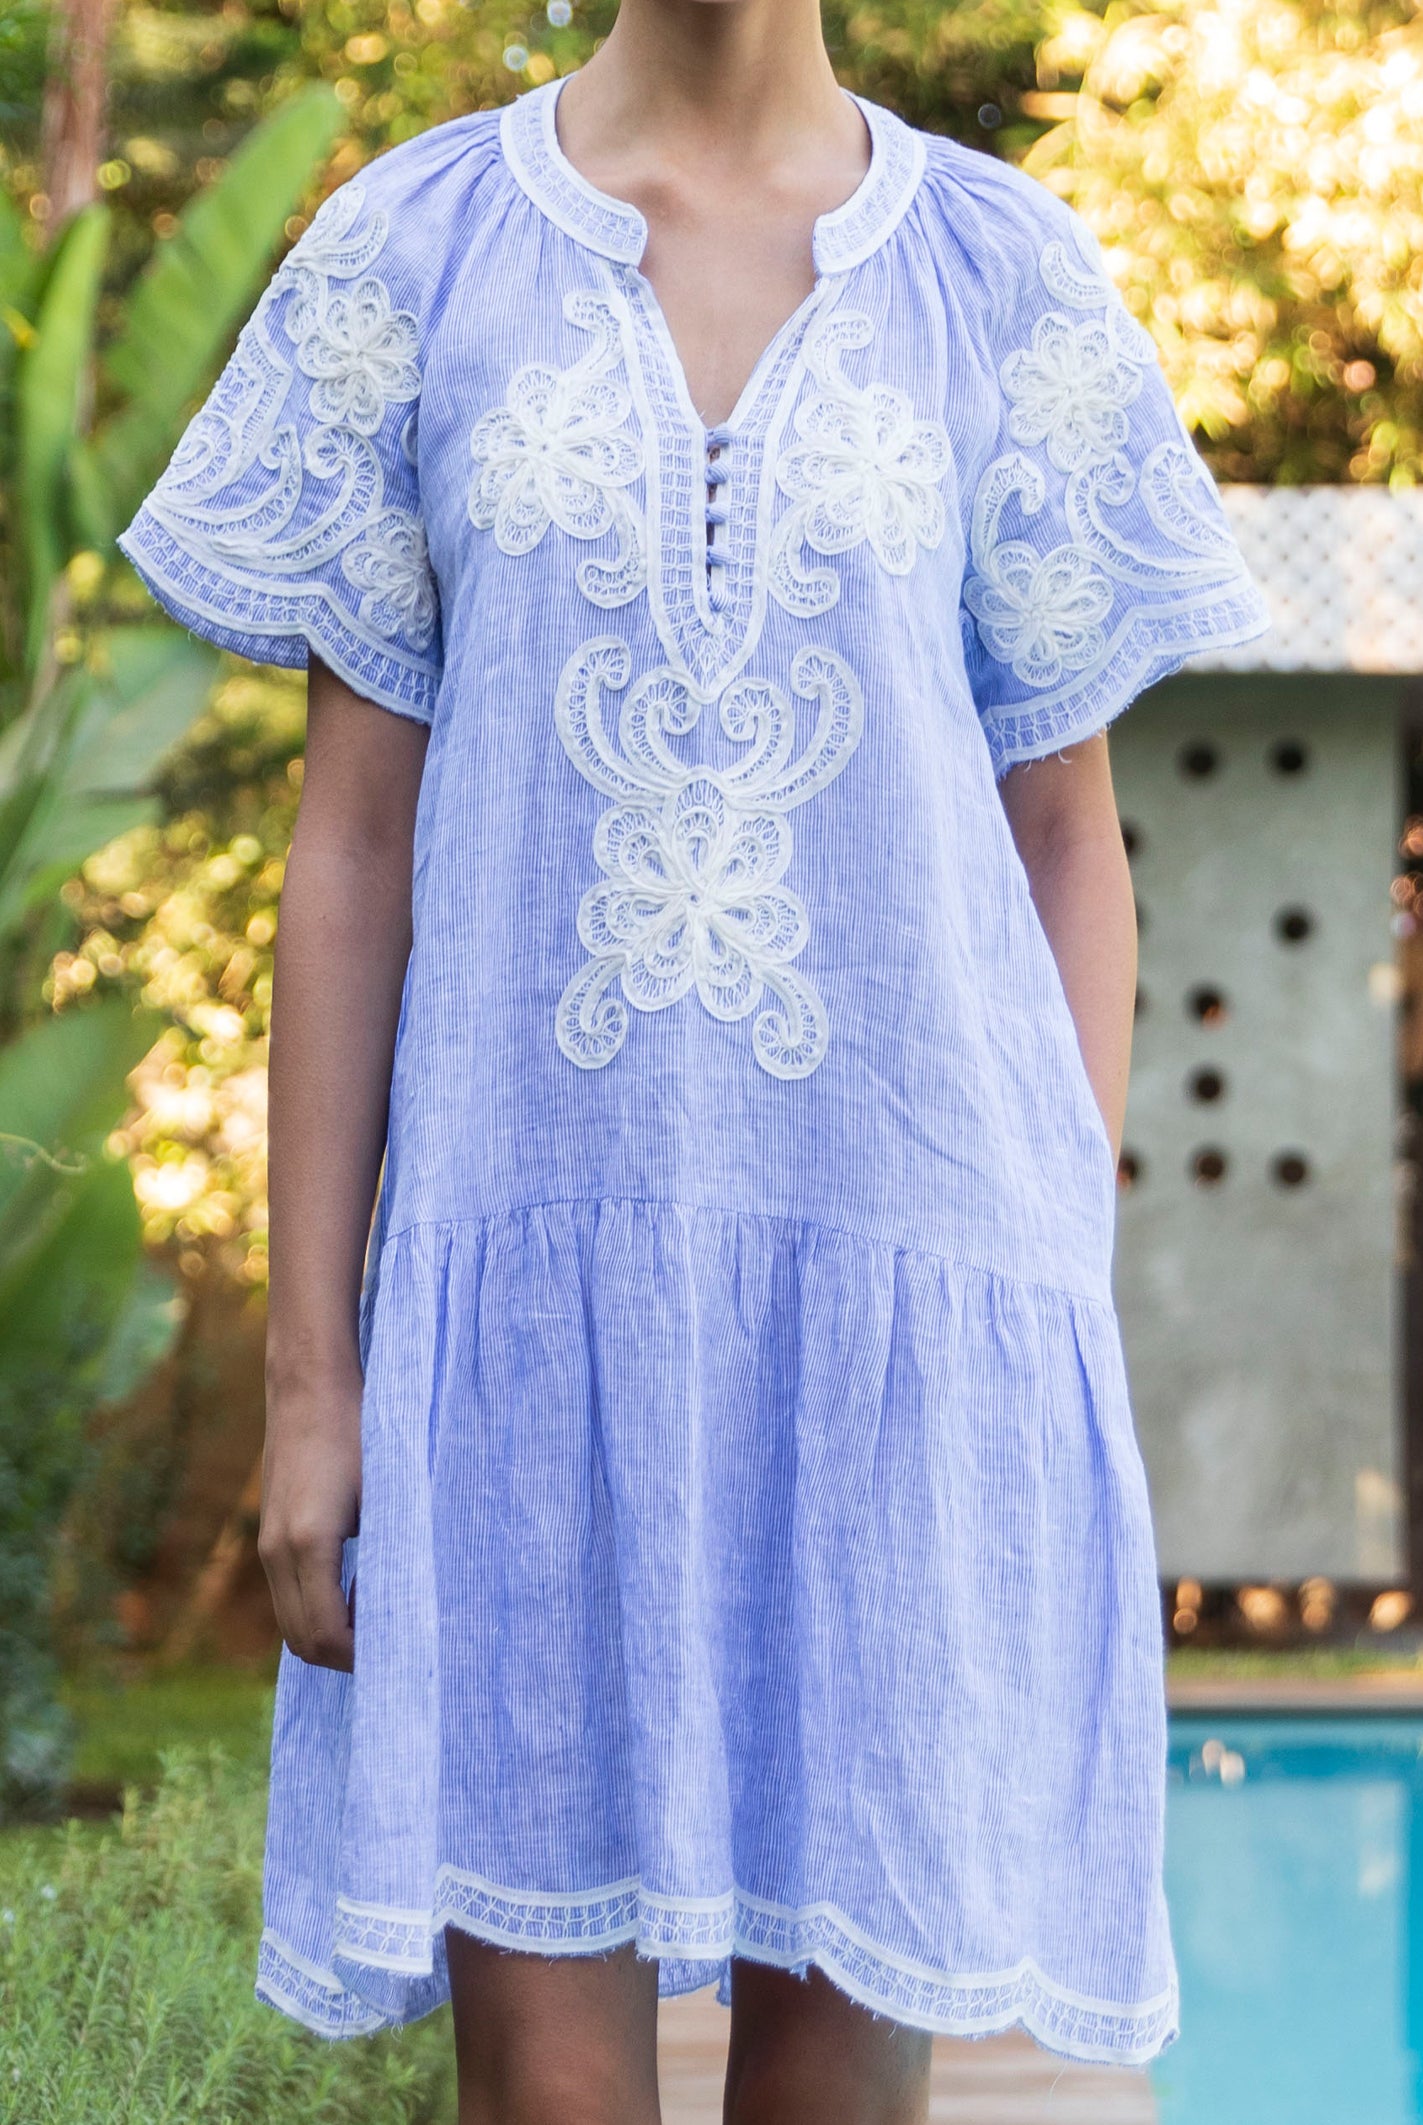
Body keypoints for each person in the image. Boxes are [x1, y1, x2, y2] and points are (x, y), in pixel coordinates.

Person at [117, 0, 1269, 2115]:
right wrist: (313, 1374)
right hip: (517, 1321)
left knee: (838, 2092)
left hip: (903, 1304)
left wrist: (1045, 1305)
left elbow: (1064, 834)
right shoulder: (413, 253)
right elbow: (352, 844)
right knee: (548, 2100)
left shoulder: (997, 274)